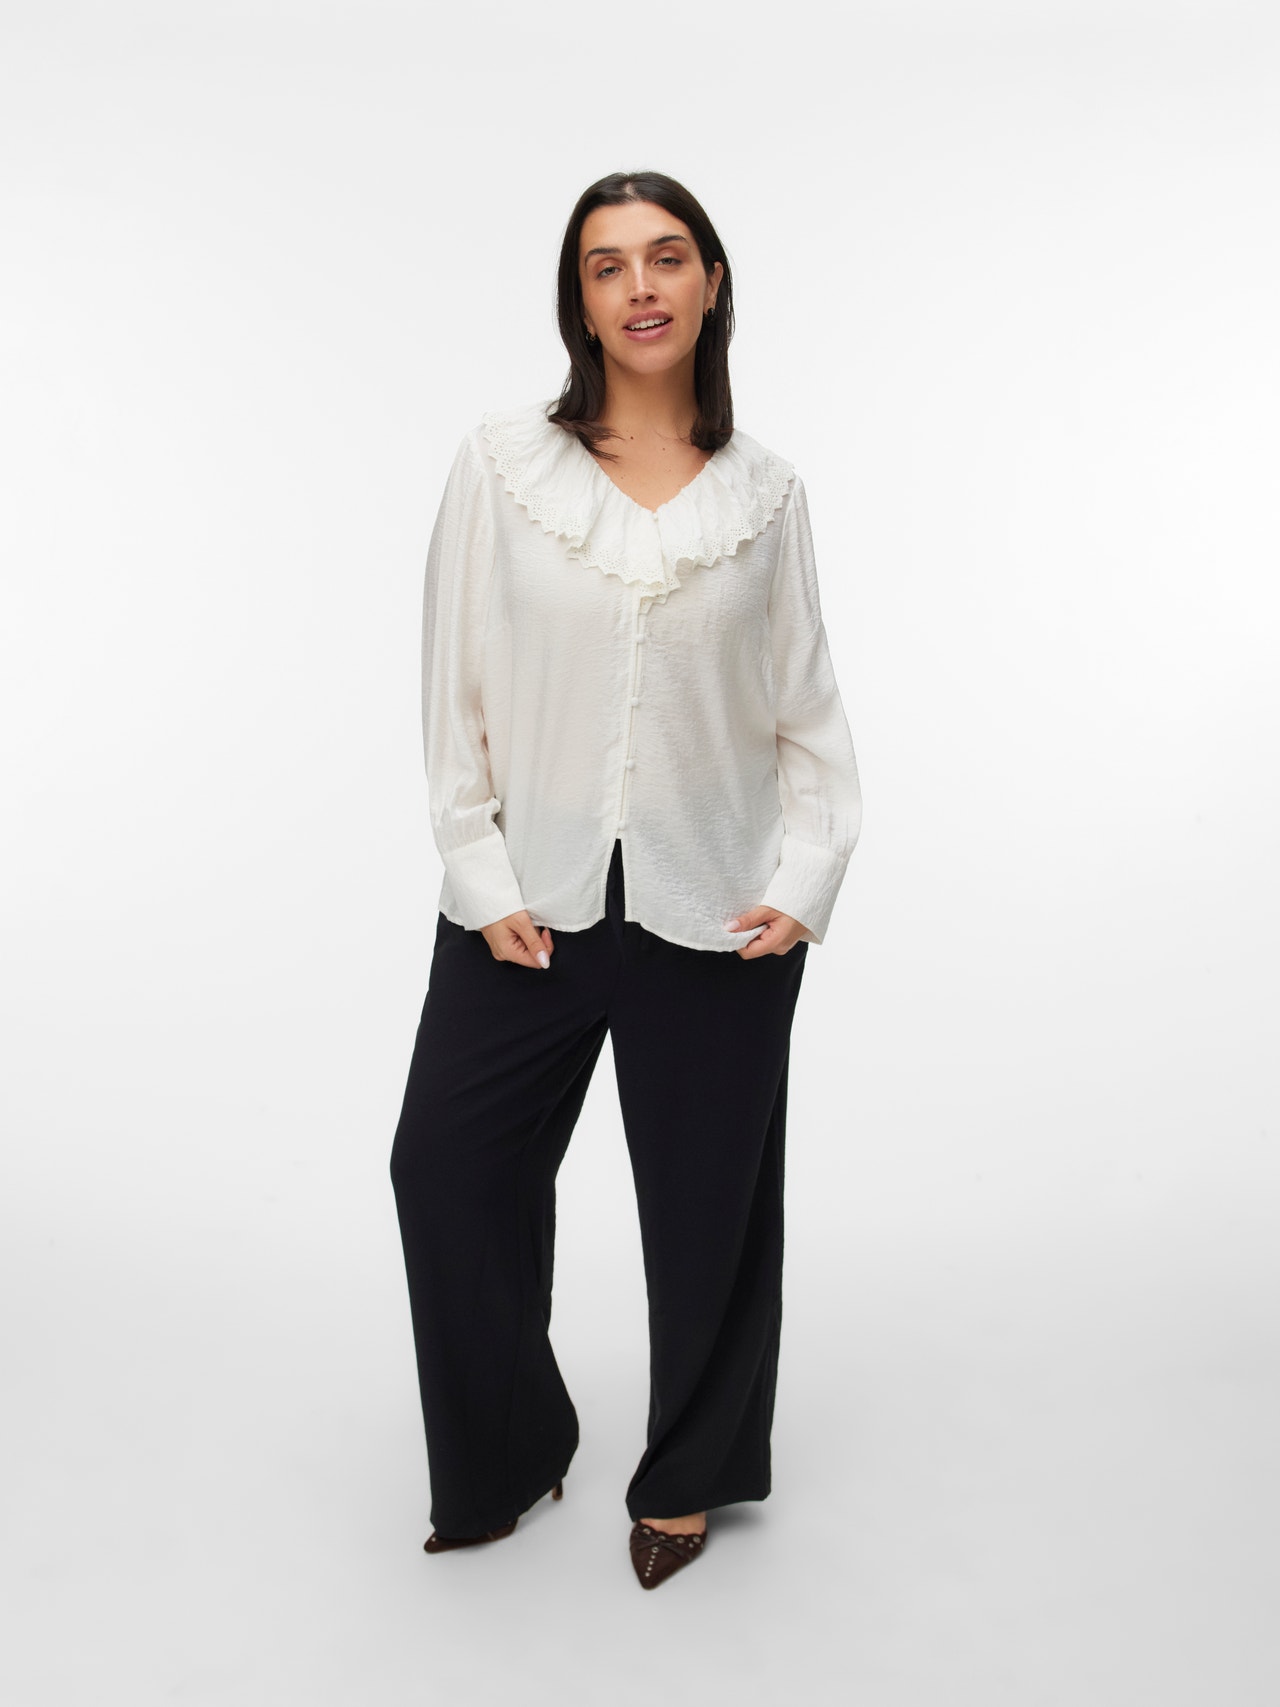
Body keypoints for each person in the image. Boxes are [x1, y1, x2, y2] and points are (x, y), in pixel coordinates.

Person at [389, 169, 862, 1591]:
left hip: (715, 905)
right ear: (579, 300)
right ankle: (507, 1446)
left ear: (711, 282)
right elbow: (452, 684)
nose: (640, 287)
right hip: (524, 905)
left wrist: (808, 877)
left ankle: (690, 1475)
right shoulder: (501, 468)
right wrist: (476, 868)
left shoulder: (766, 496)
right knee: (445, 1171)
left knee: (714, 1210)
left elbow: (806, 709)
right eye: (608, 266)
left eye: (666, 258)